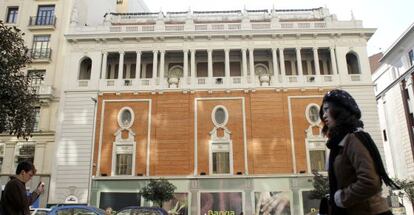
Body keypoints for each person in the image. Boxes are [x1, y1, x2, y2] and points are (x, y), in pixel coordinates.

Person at [319, 89, 399, 215]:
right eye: (323, 111)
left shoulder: (353, 139)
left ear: (341, 111)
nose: (324, 115)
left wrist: (340, 198)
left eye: (327, 109)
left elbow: (370, 182)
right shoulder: (340, 142)